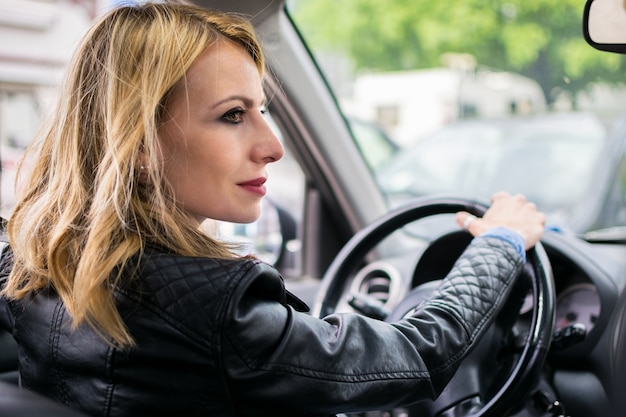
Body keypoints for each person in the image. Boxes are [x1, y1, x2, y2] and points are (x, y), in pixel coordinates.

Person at [0, 2, 545, 416]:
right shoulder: (215, 309)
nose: (273, 145)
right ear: (140, 144)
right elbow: (417, 354)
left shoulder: (32, 264)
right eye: (234, 115)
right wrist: (499, 243)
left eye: (261, 109)